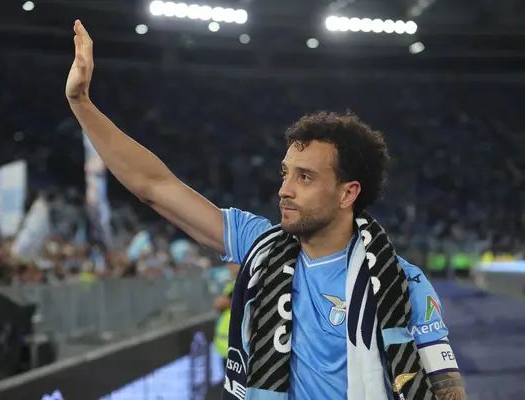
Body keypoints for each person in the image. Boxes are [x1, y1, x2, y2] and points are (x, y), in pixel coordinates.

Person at [65, 20, 466, 399]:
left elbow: (446, 388)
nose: (284, 190)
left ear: (348, 194)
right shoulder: (257, 245)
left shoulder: (402, 284)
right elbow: (154, 185)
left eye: (305, 178)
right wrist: (81, 102)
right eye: (285, 173)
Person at [213, 263, 240, 369]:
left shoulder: (243, 284)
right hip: (227, 348)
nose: (229, 266)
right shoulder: (232, 284)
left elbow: (221, 303)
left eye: (233, 263)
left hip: (238, 349)